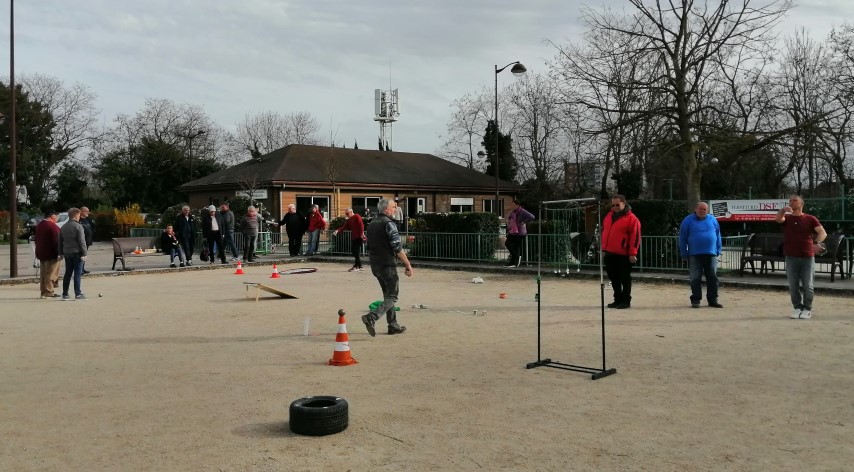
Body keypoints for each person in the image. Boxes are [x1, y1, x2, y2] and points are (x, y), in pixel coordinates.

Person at [361, 198, 414, 337]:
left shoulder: (372, 223)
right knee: (392, 296)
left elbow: (368, 244)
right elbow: (397, 247)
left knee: (387, 296)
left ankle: (393, 325)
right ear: (386, 209)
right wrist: (408, 264)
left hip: (375, 264)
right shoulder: (389, 224)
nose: (395, 210)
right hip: (387, 264)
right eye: (393, 207)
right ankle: (372, 317)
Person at [775, 195, 827, 320]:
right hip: (791, 256)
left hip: (807, 256)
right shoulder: (787, 218)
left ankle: (807, 308)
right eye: (790, 201)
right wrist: (782, 210)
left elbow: (822, 232)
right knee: (793, 285)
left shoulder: (810, 218)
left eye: (794, 201)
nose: (792, 202)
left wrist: (816, 243)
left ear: (801, 204)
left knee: (808, 284)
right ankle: (797, 307)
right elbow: (778, 219)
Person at [679, 202, 723, 309]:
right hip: (694, 255)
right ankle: (696, 299)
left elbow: (718, 235)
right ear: (695, 209)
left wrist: (718, 249)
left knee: (712, 277)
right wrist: (684, 253)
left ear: (707, 211)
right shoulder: (688, 220)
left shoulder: (713, 220)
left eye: (704, 209)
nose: (702, 211)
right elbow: (682, 237)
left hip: (711, 254)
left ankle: (713, 300)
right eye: (700, 209)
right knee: (695, 278)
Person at [601, 195, 641, 309]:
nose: (615, 207)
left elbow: (636, 237)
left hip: (623, 254)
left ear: (624, 203)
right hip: (609, 252)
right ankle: (617, 299)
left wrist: (633, 253)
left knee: (625, 278)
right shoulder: (608, 216)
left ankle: (626, 300)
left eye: (617, 205)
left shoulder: (632, 219)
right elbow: (605, 233)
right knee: (613, 278)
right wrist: (603, 248)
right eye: (613, 205)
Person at [58, 207, 87, 300]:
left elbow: (60, 241)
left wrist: (60, 252)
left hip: (67, 252)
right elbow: (82, 241)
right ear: (75, 215)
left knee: (68, 273)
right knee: (77, 273)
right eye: (79, 215)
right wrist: (84, 253)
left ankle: (65, 294)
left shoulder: (63, 227)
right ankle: (77, 293)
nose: (79, 217)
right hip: (77, 252)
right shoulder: (78, 226)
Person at [35, 210, 61, 299]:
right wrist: (59, 253)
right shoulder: (52, 226)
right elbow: (56, 240)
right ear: (52, 215)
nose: (58, 218)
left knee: (43, 273)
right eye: (57, 216)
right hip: (51, 253)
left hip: (41, 253)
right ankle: (49, 291)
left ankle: (43, 292)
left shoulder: (40, 225)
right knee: (52, 273)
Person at [505, 199, 535, 268]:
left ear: (517, 205)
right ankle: (516, 258)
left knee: (515, 247)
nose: (512, 206)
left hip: (520, 232)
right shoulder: (513, 212)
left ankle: (513, 261)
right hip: (512, 231)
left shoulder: (522, 211)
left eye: (513, 205)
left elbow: (532, 216)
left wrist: (524, 221)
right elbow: (509, 219)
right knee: (507, 244)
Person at [79, 206, 95, 274]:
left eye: (88, 211)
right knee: (80, 255)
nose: (88, 213)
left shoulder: (88, 219)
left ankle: (82, 268)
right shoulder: (78, 219)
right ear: (82, 211)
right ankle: (80, 269)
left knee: (84, 255)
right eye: (86, 211)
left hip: (87, 241)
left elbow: (93, 227)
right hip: (80, 241)